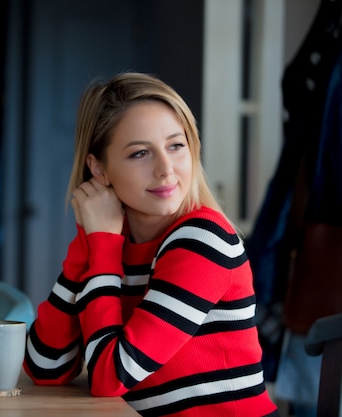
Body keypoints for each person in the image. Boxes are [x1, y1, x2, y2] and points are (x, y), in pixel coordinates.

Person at [23, 72, 280, 416]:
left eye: (176, 145)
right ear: (99, 170)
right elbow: (45, 368)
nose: (165, 169)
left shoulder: (203, 239)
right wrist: (89, 243)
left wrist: (100, 247)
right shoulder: (113, 241)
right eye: (141, 153)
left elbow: (110, 377)